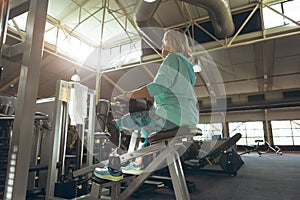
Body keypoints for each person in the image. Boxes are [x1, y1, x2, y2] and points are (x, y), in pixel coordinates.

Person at [114, 29, 199, 170]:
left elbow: (157, 87)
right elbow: (175, 92)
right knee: (146, 130)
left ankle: (117, 154)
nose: (162, 46)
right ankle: (138, 163)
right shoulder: (188, 66)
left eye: (164, 42)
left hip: (171, 118)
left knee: (124, 121)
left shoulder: (172, 59)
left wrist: (126, 95)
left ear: (171, 43)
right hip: (189, 118)